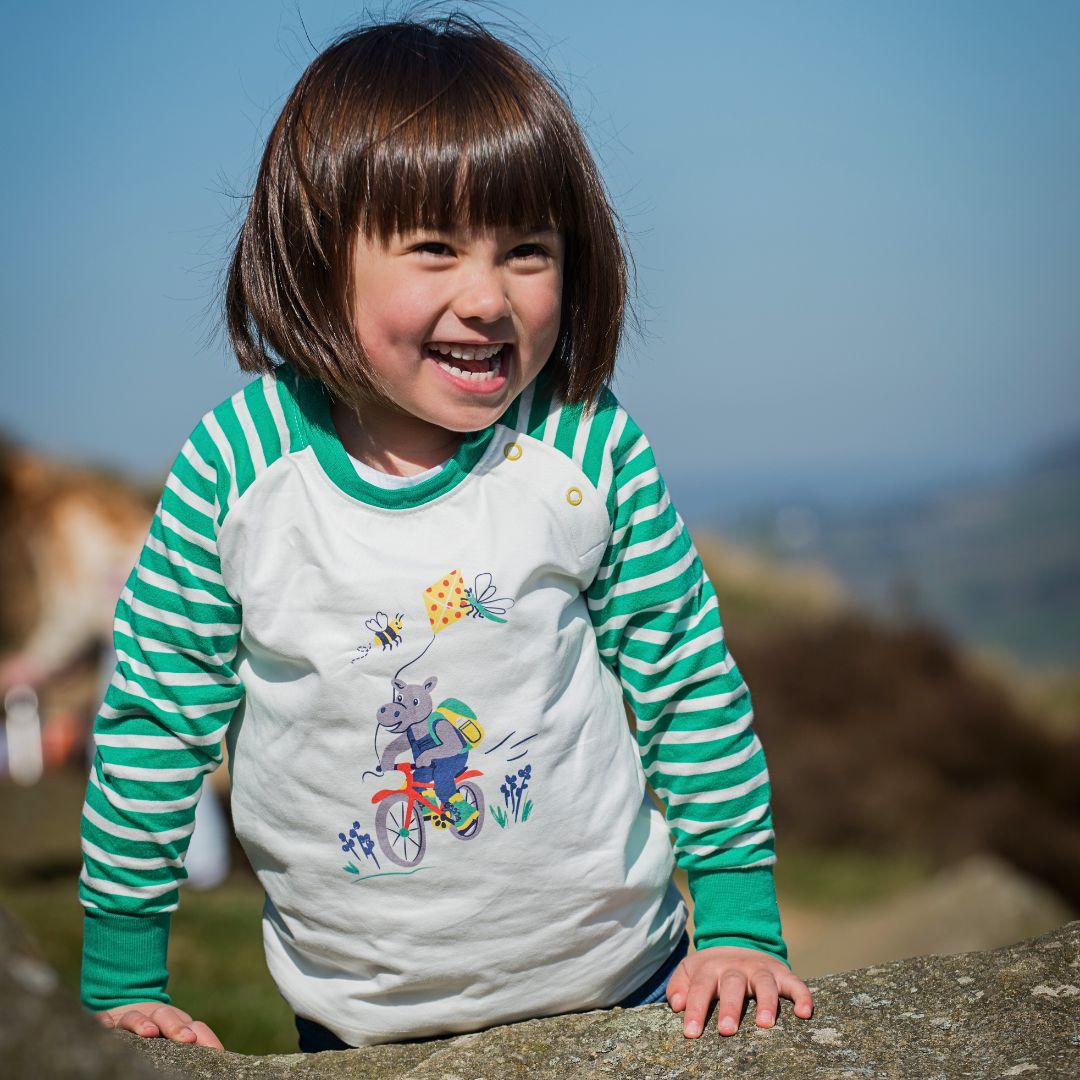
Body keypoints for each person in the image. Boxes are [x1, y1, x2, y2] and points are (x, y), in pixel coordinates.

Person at [81, 14, 814, 1053]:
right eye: (433, 250)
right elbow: (157, 717)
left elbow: (684, 676)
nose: (487, 297)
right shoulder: (236, 472)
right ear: (316, 252)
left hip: (636, 985)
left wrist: (739, 922)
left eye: (527, 252)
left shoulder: (584, 444)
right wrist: (121, 973)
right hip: (362, 1026)